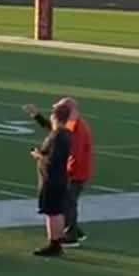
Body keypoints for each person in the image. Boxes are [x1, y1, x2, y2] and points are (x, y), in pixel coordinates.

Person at [27, 98, 92, 247]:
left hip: (75, 172)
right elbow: (55, 129)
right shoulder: (71, 125)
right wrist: (37, 116)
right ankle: (74, 230)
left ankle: (71, 234)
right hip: (73, 170)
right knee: (66, 203)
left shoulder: (77, 128)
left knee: (67, 203)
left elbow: (74, 152)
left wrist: (41, 157)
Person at [31, 103, 75, 258]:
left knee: (52, 213)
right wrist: (37, 116)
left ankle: (54, 244)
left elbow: (53, 160)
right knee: (57, 211)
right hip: (59, 178)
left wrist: (38, 155)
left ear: (56, 117)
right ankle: (57, 243)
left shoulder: (58, 136)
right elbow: (50, 128)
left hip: (52, 179)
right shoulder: (63, 133)